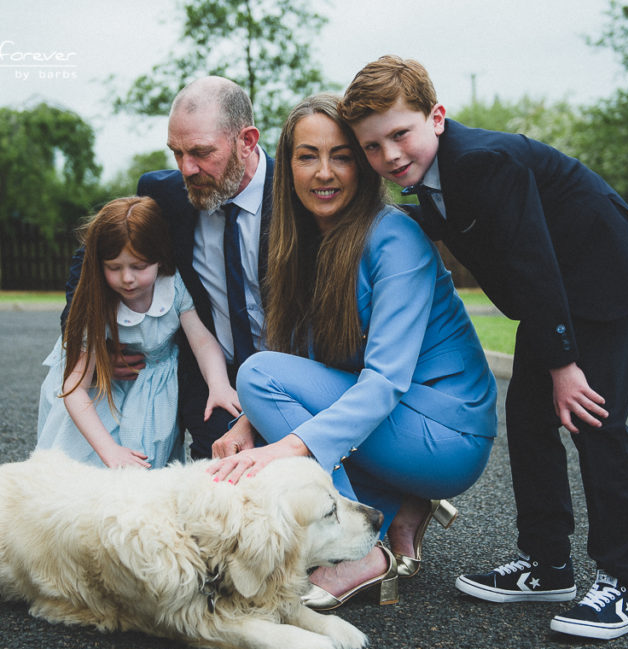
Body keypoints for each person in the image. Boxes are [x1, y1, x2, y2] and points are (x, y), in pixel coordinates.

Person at [339, 55, 628, 640]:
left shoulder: (484, 163)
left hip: (601, 274)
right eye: (371, 147)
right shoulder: (431, 177)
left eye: (400, 135)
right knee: (530, 420)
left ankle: (626, 584)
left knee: (594, 419)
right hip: (557, 293)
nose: (389, 156)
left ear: (436, 117)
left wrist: (563, 364)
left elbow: (533, 262)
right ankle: (548, 564)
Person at [207, 94, 498, 610]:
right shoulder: (299, 241)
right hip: (398, 423)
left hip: (447, 432)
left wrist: (285, 446)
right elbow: (303, 357)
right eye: (306, 155)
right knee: (270, 396)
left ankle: (357, 556)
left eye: (340, 155)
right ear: (287, 165)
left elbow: (382, 381)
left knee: (257, 376)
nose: (324, 172)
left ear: (362, 164)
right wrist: (250, 424)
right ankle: (396, 506)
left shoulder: (395, 238)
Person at [57, 76, 273, 460]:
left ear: (247, 141)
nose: (186, 169)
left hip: (285, 373)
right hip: (211, 383)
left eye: (201, 152)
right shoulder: (168, 195)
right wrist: (102, 343)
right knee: (217, 491)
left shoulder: (295, 197)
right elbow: (89, 261)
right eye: (176, 152)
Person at [37, 196, 240, 468]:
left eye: (139, 266)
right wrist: (110, 451)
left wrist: (219, 385)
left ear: (160, 258)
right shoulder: (97, 301)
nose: (127, 278)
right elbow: (74, 389)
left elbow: (202, 342)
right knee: (87, 470)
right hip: (101, 399)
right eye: (114, 267)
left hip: (153, 393)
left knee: (145, 468)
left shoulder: (173, 287)